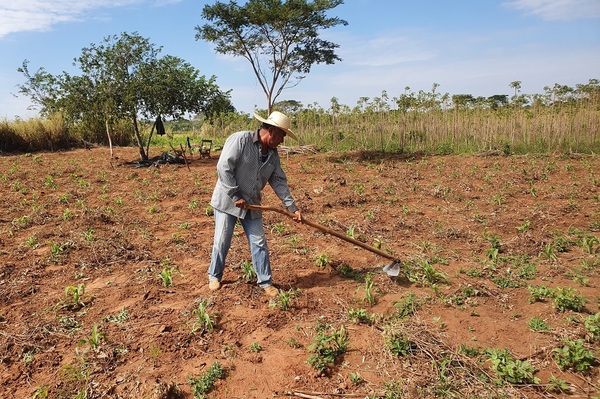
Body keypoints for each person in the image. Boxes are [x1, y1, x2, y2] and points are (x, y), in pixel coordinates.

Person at [208, 111, 302, 297]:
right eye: (282, 135)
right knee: (222, 240)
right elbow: (224, 167)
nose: (282, 140)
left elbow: (279, 182)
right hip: (228, 201)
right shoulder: (241, 140)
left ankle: (266, 282)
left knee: (259, 242)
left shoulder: (273, 156)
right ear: (272, 131)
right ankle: (214, 276)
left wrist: (293, 208)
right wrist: (235, 195)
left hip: (252, 203)